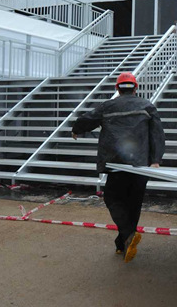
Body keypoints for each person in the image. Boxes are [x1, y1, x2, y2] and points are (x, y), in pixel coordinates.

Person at [71, 72, 165, 263]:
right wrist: (155, 159)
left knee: (112, 199)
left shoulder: (108, 106)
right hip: (140, 166)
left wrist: (76, 129)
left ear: (117, 88)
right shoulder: (147, 106)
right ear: (135, 87)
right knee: (134, 204)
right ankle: (122, 243)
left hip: (116, 164)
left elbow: (87, 119)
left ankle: (128, 235)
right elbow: (158, 135)